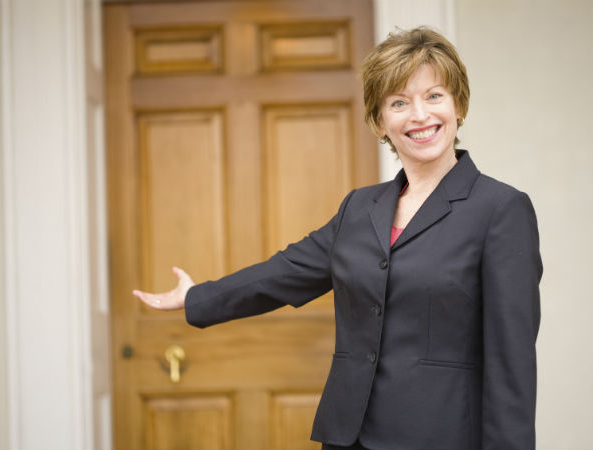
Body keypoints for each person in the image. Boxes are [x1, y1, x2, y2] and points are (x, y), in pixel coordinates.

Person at [133, 27, 542, 450]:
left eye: (434, 96)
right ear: (380, 121)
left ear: (458, 104)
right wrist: (198, 296)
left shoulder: (501, 209)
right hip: (349, 436)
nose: (419, 115)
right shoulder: (360, 208)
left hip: (440, 436)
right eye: (399, 102)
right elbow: (287, 271)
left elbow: (511, 361)